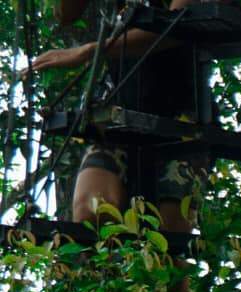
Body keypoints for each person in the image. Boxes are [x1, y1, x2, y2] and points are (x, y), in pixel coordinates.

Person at [30, 0, 217, 239]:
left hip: (182, 123)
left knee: (167, 243)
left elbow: (178, 25)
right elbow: (65, 14)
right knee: (92, 219)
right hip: (121, 118)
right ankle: (104, 274)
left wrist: (89, 51)